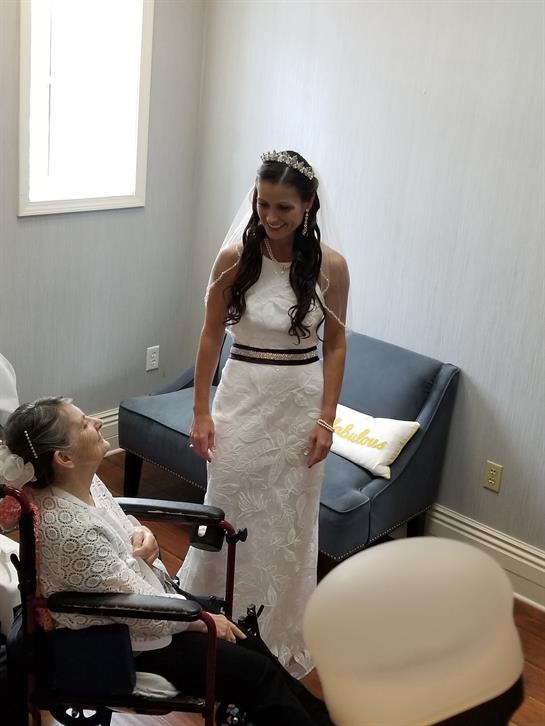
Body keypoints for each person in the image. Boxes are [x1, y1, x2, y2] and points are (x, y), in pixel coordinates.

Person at [1, 397, 333, 726]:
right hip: (127, 642)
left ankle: (321, 719)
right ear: (63, 457)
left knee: (250, 642)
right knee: (256, 674)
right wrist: (202, 621)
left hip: (150, 602)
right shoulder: (71, 530)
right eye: (85, 424)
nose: (98, 422)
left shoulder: (77, 483)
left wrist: (143, 532)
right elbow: (135, 610)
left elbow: (117, 524)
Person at [178, 150, 349, 677]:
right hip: (242, 396)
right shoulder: (233, 257)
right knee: (225, 500)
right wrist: (201, 410)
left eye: (284, 208)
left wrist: (326, 419)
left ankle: (278, 627)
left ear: (308, 207)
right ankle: (208, 617)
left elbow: (337, 345)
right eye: (262, 203)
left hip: (298, 403)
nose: (270, 217)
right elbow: (210, 333)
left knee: (289, 517)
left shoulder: (331, 268)